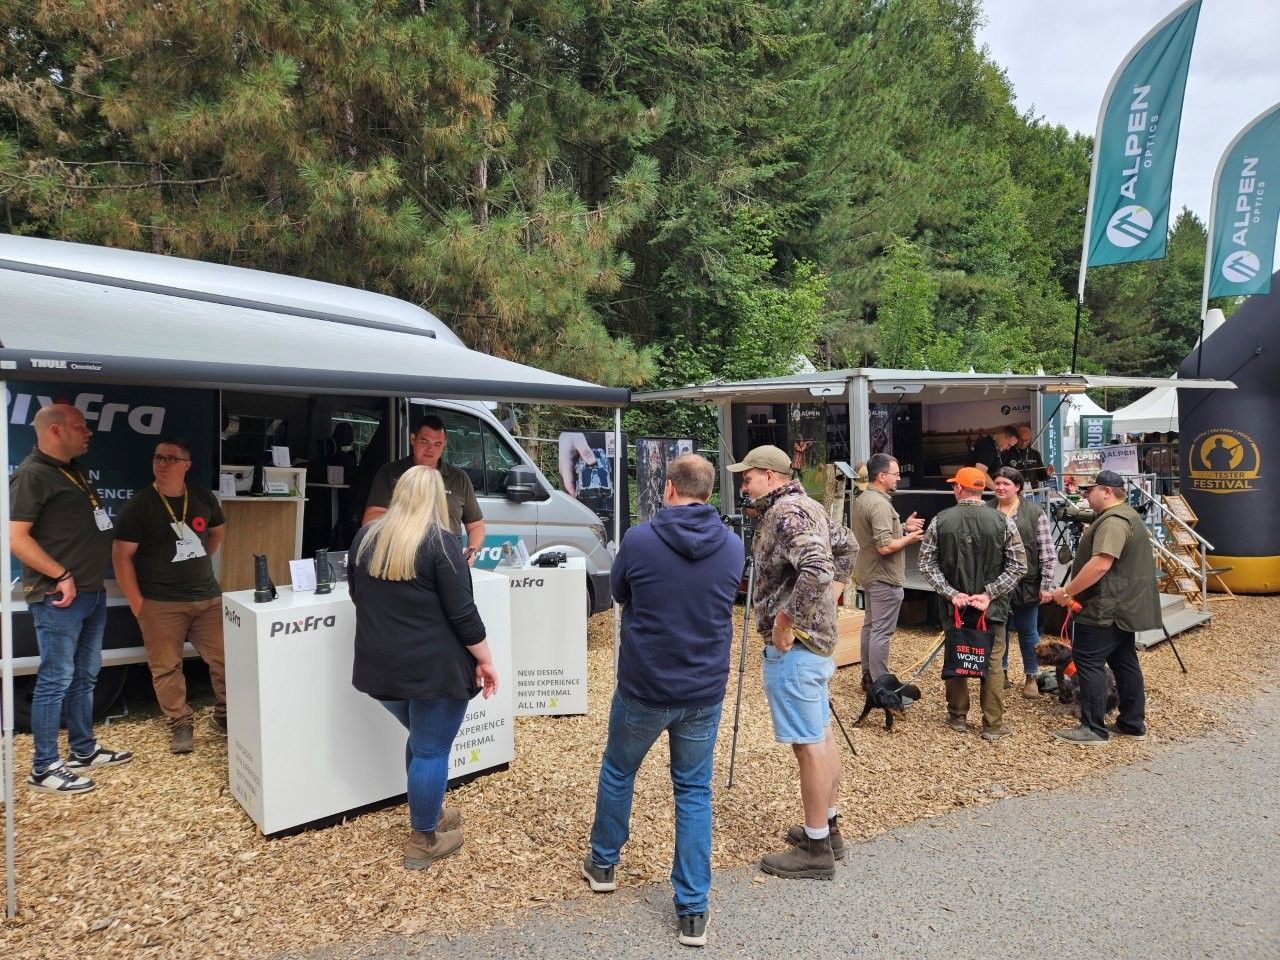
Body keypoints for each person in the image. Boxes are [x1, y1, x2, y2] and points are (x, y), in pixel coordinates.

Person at [582, 455, 744, 947]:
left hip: (646, 683)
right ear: (708, 491)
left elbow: (619, 591)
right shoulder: (733, 545)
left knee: (618, 769)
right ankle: (693, 910)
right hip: (703, 687)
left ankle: (604, 863)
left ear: (669, 488)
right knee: (693, 791)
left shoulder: (639, 539)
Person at [347, 465, 499, 869]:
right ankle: (424, 839)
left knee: (422, 738)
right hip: (433, 670)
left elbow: (356, 595)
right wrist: (485, 659)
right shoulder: (441, 543)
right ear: (436, 499)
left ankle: (429, 810)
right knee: (431, 748)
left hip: (379, 671)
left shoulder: (365, 539)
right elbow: (464, 614)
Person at [727, 445, 856, 880]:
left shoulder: (785, 513)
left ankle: (817, 848)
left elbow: (818, 567)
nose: (743, 484)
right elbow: (847, 546)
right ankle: (828, 829)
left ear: (769, 475)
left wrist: (787, 618)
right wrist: (831, 595)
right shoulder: (808, 507)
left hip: (795, 647)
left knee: (808, 745)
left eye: (747, 477)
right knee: (818, 736)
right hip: (813, 644)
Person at [10, 403, 132, 793]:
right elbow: (15, 538)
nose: (88, 433)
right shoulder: (32, 476)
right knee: (55, 678)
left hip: (91, 591)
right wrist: (60, 575)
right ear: (56, 431)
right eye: (81, 427)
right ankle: (43, 767)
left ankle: (83, 748)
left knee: (86, 674)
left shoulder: (72, 470)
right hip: (58, 596)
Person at [113, 437, 229, 753]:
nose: (162, 463)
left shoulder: (204, 498)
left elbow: (216, 532)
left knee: (226, 660)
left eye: (170, 458)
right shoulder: (138, 507)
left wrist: (200, 557)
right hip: (160, 603)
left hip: (207, 599)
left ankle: (225, 717)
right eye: (158, 458)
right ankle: (180, 724)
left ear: (186, 465)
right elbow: (121, 557)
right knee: (166, 668)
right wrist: (139, 605)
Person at [1050, 470, 1161, 745]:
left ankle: (1093, 728)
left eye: (1091, 491)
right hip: (1122, 607)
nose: (1086, 495)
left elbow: (1101, 564)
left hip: (1104, 607)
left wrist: (1066, 591)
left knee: (1088, 663)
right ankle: (1132, 722)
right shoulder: (1128, 515)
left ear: (1107, 492)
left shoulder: (1113, 521)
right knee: (1124, 662)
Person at [918, 466, 1026, 742]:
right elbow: (1017, 566)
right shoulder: (1003, 521)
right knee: (992, 662)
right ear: (982, 489)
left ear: (959, 488)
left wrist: (950, 593)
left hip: (954, 607)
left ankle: (957, 717)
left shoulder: (941, 520)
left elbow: (926, 563)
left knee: (958, 652)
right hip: (991, 608)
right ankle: (992, 724)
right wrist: (989, 594)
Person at [362, 415, 485, 565]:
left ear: (444, 444)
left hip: (448, 559)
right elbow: (371, 519)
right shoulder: (390, 472)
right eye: (424, 441)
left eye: (437, 444)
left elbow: (476, 525)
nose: (430, 449)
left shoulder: (459, 478)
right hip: (402, 557)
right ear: (413, 439)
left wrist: (472, 550)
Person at [851, 454, 923, 690]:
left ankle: (868, 676)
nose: (899, 478)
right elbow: (884, 546)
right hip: (884, 576)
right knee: (881, 631)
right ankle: (881, 683)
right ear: (882, 476)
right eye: (895, 473)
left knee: (871, 627)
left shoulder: (865, 498)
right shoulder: (880, 504)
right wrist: (909, 538)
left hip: (870, 573)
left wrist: (902, 527)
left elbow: (877, 535)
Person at [990, 467, 1054, 699]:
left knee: (1029, 631)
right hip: (995, 584)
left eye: (1006, 483)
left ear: (1017, 487)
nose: (1000, 487)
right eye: (997, 483)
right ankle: (1001, 674)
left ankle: (1031, 676)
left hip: (1027, 582)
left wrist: (1047, 585)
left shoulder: (1034, 512)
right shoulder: (988, 510)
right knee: (999, 630)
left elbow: (1047, 552)